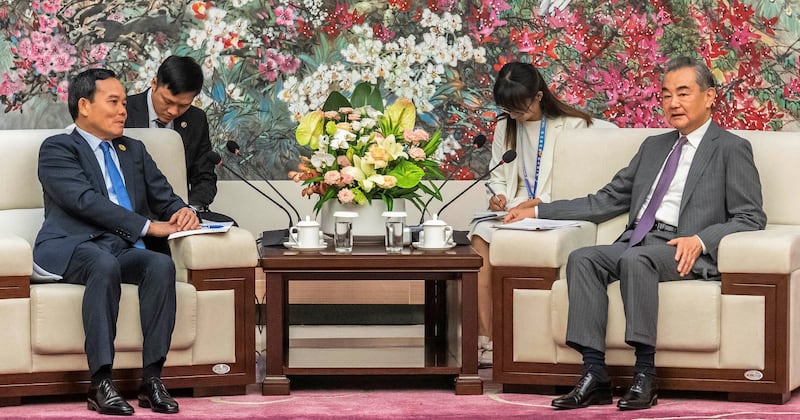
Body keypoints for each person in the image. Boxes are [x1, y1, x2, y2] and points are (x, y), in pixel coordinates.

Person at [504, 57, 766, 410]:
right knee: (583, 258)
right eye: (666, 95)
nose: (673, 103)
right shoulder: (653, 147)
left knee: (636, 258)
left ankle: (645, 374)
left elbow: (750, 217)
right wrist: (536, 211)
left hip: (683, 247)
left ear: (710, 97)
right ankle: (594, 374)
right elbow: (606, 200)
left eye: (683, 93)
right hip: (640, 241)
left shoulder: (731, 148)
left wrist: (701, 240)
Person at [34, 68, 200, 415]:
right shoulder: (58, 148)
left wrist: (183, 211)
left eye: (125, 102)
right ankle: (101, 383)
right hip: (73, 245)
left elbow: (163, 196)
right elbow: (84, 201)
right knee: (103, 263)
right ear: (84, 106)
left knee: (159, 264)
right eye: (114, 102)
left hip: (121, 247)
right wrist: (146, 226)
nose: (124, 110)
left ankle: (151, 378)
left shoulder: (133, 150)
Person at [470, 62, 613, 367]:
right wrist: (497, 196)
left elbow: (607, 142)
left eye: (520, 110)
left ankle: (527, 341)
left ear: (537, 97)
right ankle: (488, 341)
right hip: (512, 209)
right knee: (479, 239)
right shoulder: (505, 126)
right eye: (509, 111)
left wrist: (539, 203)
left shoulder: (570, 126)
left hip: (549, 208)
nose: (515, 117)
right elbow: (496, 174)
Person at [125, 55, 234, 225]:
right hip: (133, 212)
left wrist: (188, 210)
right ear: (154, 84)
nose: (173, 111)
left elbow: (204, 176)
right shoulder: (124, 111)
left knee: (230, 228)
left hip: (181, 212)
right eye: (167, 101)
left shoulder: (196, 119)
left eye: (183, 105)